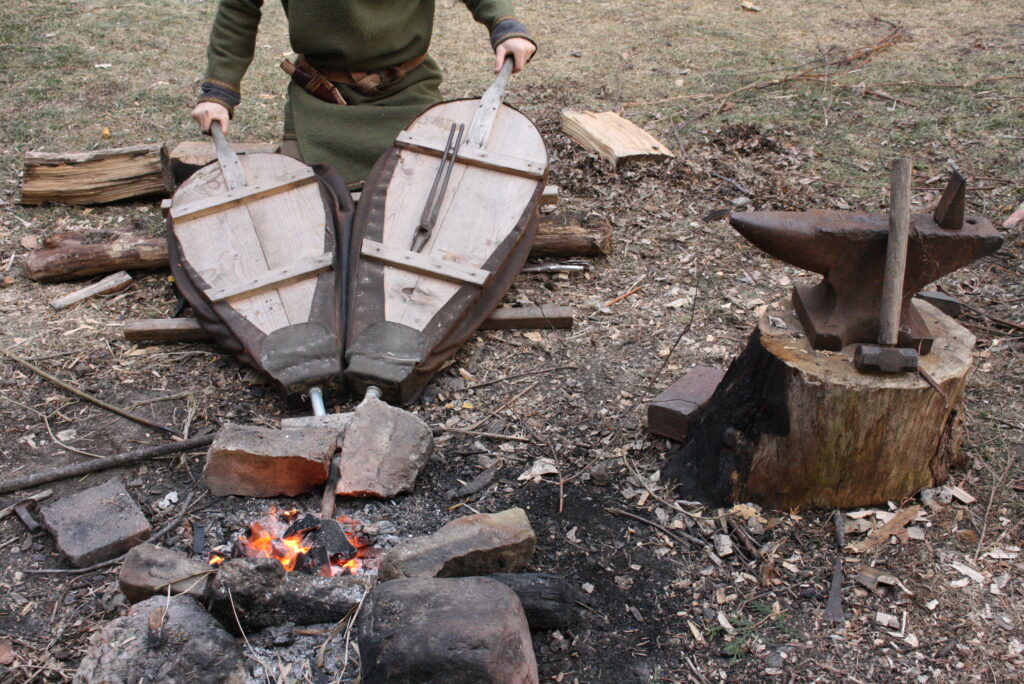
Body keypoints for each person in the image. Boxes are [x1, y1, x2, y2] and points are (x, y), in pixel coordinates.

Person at [191, 0, 536, 187]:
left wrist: (505, 25)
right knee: (304, 202)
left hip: (407, 93)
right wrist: (217, 92)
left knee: (438, 192)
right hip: (321, 103)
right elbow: (238, 10)